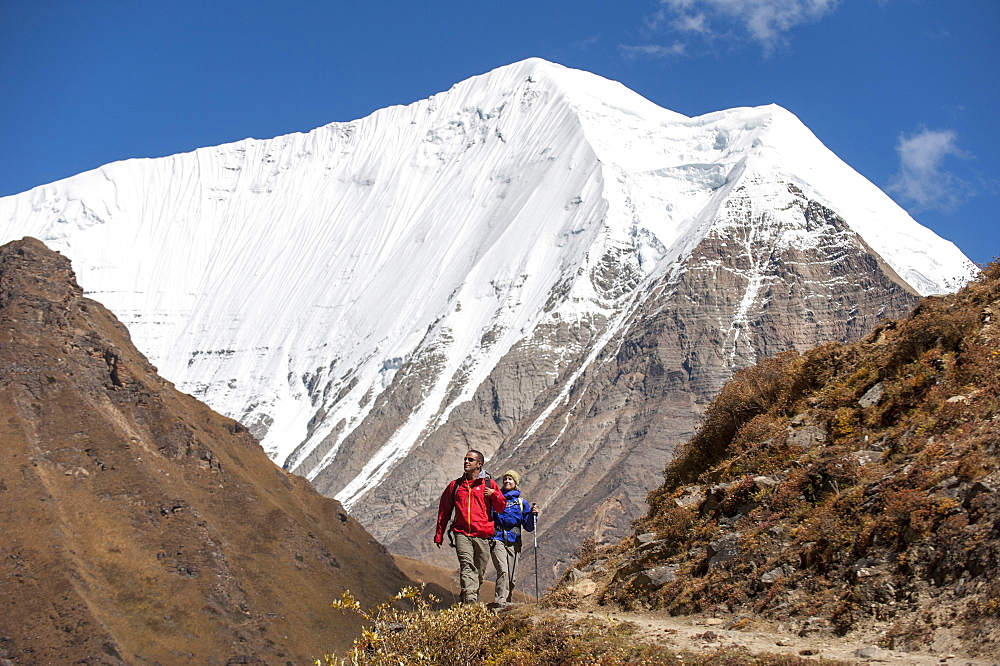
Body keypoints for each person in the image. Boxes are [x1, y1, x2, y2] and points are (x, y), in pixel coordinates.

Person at [435, 449, 506, 604]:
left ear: (479, 464)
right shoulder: (455, 486)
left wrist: (495, 494)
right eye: (465, 459)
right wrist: (439, 534)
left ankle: (467, 600)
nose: (466, 462)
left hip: (483, 534)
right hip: (461, 533)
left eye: (470, 460)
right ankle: (471, 600)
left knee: (479, 572)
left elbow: (501, 508)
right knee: (467, 565)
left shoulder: (489, 485)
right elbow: (444, 510)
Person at [490, 470, 536, 606]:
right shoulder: (496, 499)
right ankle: (500, 601)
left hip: (514, 540)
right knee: (503, 570)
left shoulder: (522, 503)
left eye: (510, 479)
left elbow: (528, 526)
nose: (507, 481)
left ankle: (507, 602)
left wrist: (533, 516)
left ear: (515, 483)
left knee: (512, 575)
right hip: (497, 538)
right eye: (505, 479)